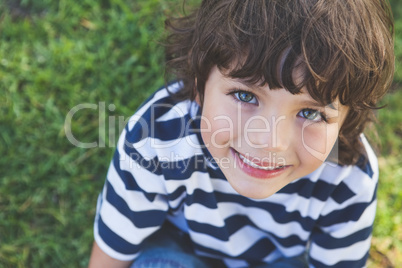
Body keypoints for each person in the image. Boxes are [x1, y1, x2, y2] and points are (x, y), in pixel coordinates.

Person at [88, 0, 394, 267]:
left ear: (347, 120)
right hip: (179, 249)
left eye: (311, 113)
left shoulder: (348, 177)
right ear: (198, 83)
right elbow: (116, 243)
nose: (268, 141)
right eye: (245, 97)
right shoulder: (157, 137)